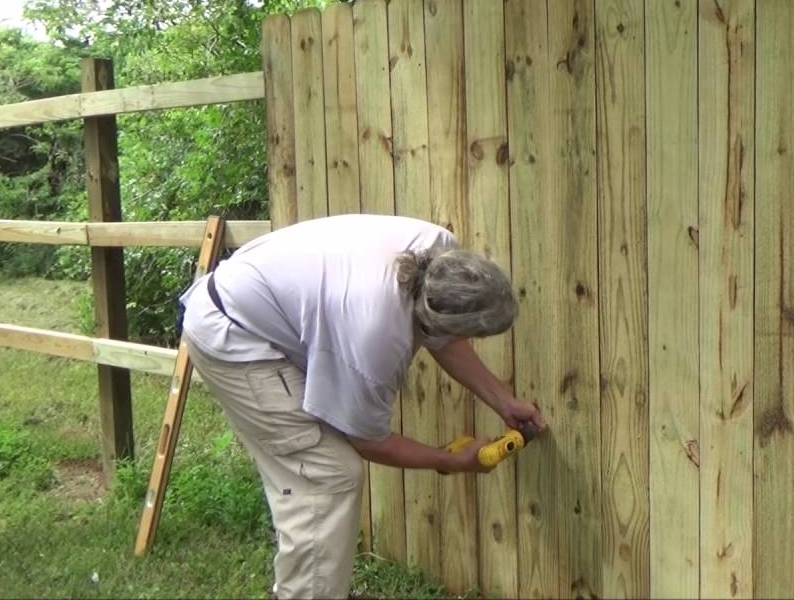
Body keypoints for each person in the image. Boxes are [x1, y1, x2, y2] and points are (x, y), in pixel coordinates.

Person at [179, 213, 543, 600]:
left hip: (255, 301)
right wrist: (449, 460)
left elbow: (443, 337)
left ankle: (318, 587)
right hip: (231, 332)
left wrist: (503, 401)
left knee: (319, 473)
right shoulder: (376, 336)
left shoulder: (438, 252)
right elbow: (368, 441)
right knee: (325, 474)